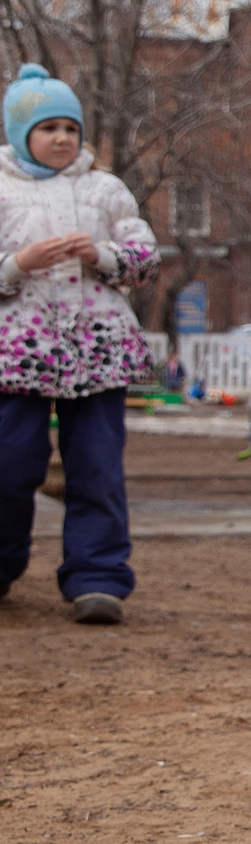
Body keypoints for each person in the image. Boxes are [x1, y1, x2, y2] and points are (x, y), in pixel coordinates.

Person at [0, 64, 158, 625]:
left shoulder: (105, 190)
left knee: (95, 467)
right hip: (17, 354)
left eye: (71, 127)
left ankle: (98, 578)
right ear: (21, 134)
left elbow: (145, 260)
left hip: (98, 351)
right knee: (10, 464)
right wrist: (18, 264)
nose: (63, 138)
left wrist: (102, 256)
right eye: (48, 128)